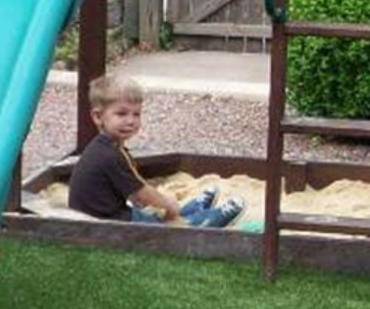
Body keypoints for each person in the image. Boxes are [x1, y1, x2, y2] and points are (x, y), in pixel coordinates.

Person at [67, 76, 243, 227]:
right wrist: (168, 204)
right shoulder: (109, 155)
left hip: (105, 213)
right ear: (98, 117)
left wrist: (162, 205)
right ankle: (202, 221)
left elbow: (130, 191)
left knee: (154, 214)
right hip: (107, 223)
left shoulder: (105, 147)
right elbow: (142, 193)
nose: (130, 121)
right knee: (162, 227)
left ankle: (187, 210)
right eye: (121, 114)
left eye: (136, 114)